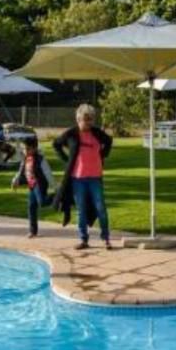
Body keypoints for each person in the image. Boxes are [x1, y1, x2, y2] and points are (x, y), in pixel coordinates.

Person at [54, 103, 113, 250]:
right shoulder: (71, 134)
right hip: (78, 179)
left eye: (91, 119)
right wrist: (67, 160)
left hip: (95, 178)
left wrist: (103, 155)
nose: (88, 122)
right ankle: (83, 239)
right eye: (85, 119)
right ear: (78, 119)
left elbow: (109, 141)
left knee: (101, 208)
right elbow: (56, 144)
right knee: (81, 210)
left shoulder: (97, 133)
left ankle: (106, 238)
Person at [10, 135, 53, 238]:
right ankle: (33, 231)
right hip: (32, 185)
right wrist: (15, 180)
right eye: (24, 148)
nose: (25, 150)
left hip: (40, 184)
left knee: (42, 202)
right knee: (31, 207)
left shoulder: (40, 159)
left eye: (27, 148)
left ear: (34, 148)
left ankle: (58, 195)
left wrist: (54, 186)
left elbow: (48, 174)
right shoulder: (25, 158)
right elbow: (20, 170)